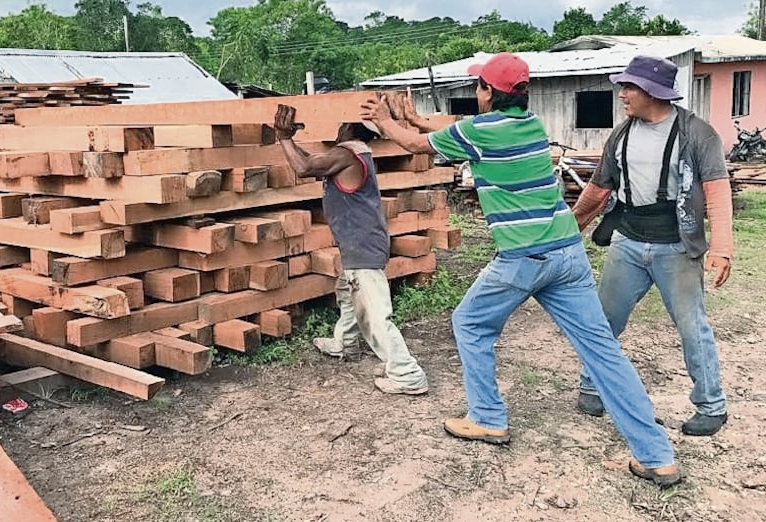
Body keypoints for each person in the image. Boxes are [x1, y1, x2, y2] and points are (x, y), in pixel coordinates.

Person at [360, 52, 681, 487]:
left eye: (479, 86)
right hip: (567, 253)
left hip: (523, 257)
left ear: (488, 93)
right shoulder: (529, 125)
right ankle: (657, 456)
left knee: (470, 322)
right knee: (603, 351)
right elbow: (451, 131)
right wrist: (414, 120)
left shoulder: (480, 132)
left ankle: (487, 417)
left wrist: (384, 121)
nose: (477, 93)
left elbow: (420, 146)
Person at [572, 55, 733, 437]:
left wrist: (722, 247)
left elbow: (716, 191)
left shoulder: (698, 134)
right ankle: (592, 387)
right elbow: (598, 189)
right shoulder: (621, 134)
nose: (622, 94)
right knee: (603, 321)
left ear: (652, 92)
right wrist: (568, 228)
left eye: (629, 87)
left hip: (676, 247)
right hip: (627, 241)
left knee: (692, 327)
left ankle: (711, 406)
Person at [273, 104, 429, 395]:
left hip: (362, 244)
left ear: (347, 126)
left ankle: (407, 374)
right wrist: (290, 141)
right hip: (362, 241)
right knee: (347, 292)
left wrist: (283, 138)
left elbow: (304, 168)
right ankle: (344, 343)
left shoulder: (346, 154)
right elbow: (315, 163)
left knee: (374, 313)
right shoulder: (357, 152)